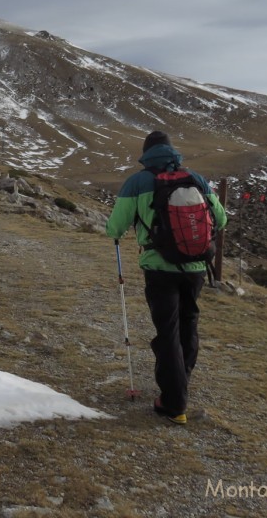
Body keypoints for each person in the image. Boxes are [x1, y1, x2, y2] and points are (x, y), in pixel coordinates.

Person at [105, 131, 227, 424]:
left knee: (168, 330)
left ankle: (174, 403)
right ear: (173, 152)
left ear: (146, 154)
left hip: (159, 269)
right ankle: (179, 384)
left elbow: (115, 227)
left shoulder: (137, 182)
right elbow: (221, 219)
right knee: (189, 323)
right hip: (196, 267)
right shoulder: (195, 178)